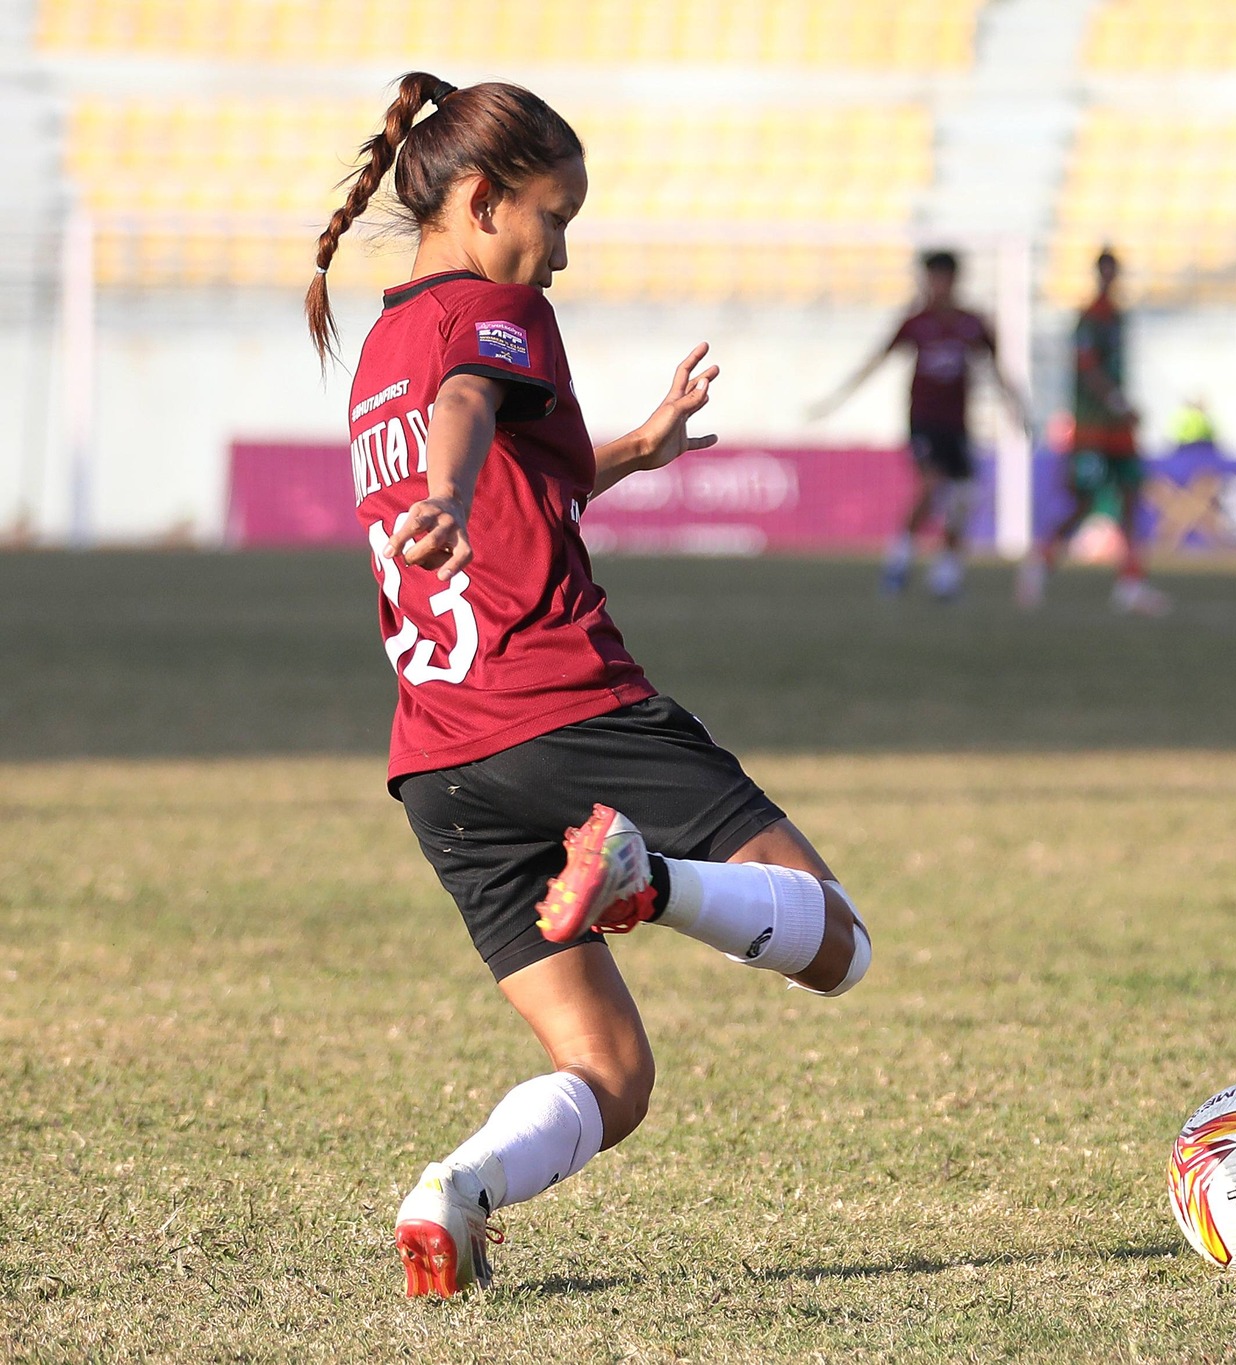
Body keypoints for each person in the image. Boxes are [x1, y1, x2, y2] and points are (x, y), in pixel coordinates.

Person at [306, 72, 872, 1298]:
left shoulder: (381, 349)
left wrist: (625, 452)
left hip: (439, 766)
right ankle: (643, 878)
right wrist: (448, 496)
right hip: (562, 711)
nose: (557, 252)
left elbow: (513, 470)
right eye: (551, 218)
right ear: (479, 198)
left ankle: (452, 1193)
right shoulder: (488, 312)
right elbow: (469, 408)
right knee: (836, 941)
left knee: (608, 1070)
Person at [809, 250, 1027, 601]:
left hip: (957, 426)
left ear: (954, 280)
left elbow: (996, 367)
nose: (937, 286)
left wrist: (1014, 405)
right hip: (924, 422)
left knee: (963, 497)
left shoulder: (971, 323)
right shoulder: (916, 322)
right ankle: (899, 561)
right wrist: (835, 400)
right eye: (932, 278)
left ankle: (947, 575)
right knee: (930, 485)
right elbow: (876, 360)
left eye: (943, 278)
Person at [1016, 248, 1171, 615]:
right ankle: (1040, 563)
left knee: (1132, 497)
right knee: (1083, 502)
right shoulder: (1090, 318)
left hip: (1117, 429)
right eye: (1105, 272)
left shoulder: (1117, 317)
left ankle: (1131, 584)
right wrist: (1118, 402)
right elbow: (1088, 368)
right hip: (1092, 426)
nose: (1109, 278)